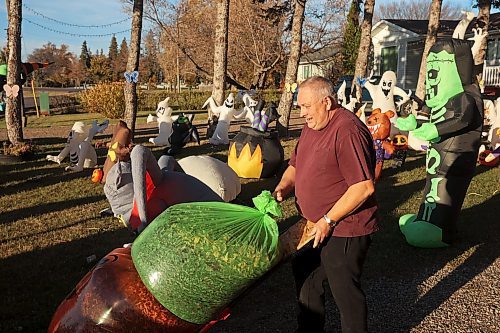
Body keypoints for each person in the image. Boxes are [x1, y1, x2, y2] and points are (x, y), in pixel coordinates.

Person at [273, 76, 379, 333]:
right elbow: (296, 164)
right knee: (306, 274)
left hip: (345, 227)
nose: (302, 113)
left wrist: (328, 220)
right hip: (314, 225)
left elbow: (363, 187)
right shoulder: (313, 125)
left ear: (327, 102)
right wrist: (283, 187)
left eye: (306, 106)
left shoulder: (348, 131)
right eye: (300, 106)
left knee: (344, 290)